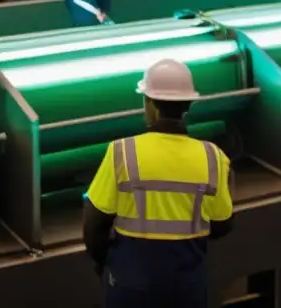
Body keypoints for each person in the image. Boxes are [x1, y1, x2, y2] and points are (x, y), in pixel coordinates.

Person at [83, 59, 234, 307]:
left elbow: (93, 224)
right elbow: (223, 224)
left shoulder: (122, 152)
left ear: (149, 104)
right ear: (189, 104)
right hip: (185, 288)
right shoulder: (213, 157)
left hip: (130, 285)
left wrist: (107, 262)